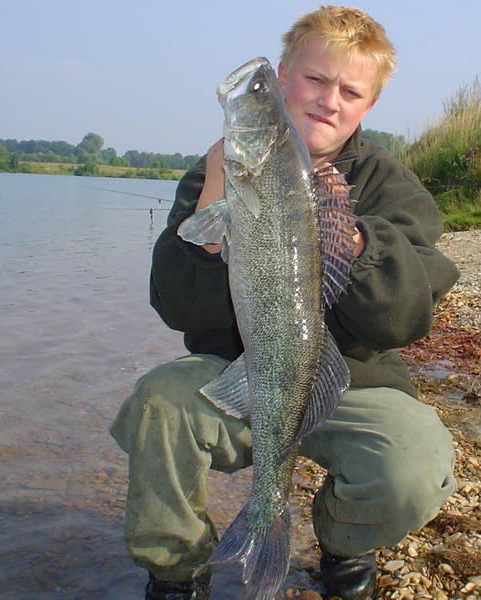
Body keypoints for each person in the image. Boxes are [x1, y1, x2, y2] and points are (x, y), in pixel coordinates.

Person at [110, 6, 459, 600]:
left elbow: (406, 317)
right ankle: (176, 569)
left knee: (414, 462)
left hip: (349, 380)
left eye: (350, 90)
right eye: (316, 79)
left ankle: (345, 551)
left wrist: (355, 241)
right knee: (159, 403)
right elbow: (177, 308)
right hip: (236, 372)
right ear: (282, 78)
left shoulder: (387, 183)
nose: (330, 99)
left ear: (368, 106)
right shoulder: (214, 172)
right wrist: (214, 206)